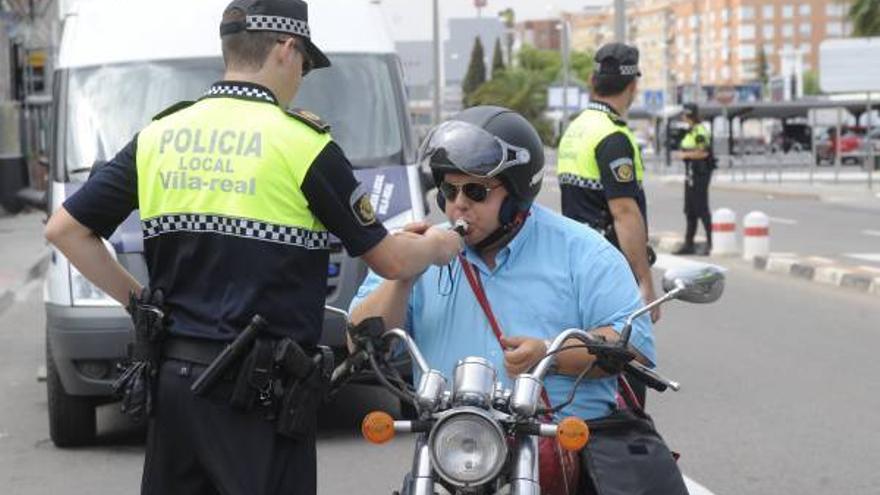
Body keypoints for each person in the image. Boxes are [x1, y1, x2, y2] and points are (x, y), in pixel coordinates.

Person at [43, 1, 461, 493]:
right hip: (262, 398)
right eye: (305, 63)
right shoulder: (302, 144)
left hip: (175, 386)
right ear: (286, 49)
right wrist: (437, 244)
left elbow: (65, 230)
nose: (302, 77)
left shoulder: (159, 136)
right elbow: (389, 259)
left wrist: (141, 305)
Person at [349, 106, 685, 494]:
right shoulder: (414, 248)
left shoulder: (583, 251)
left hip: (560, 448)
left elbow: (635, 348)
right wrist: (404, 274)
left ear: (517, 192)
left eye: (476, 191)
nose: (459, 204)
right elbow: (359, 341)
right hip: (451, 446)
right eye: (448, 190)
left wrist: (549, 354)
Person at [556, 42, 659, 324]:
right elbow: (624, 212)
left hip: (575, 267)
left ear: (592, 81)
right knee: (624, 357)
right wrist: (644, 281)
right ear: (633, 86)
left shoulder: (576, 129)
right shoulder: (612, 136)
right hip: (609, 270)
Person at [674, 103, 715, 256]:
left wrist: (685, 155)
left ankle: (711, 243)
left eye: (684, 115)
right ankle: (688, 243)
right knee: (690, 209)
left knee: (701, 208)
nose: (682, 117)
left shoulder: (700, 131)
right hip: (690, 173)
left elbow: (704, 153)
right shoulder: (691, 130)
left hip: (700, 173)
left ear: (688, 115)